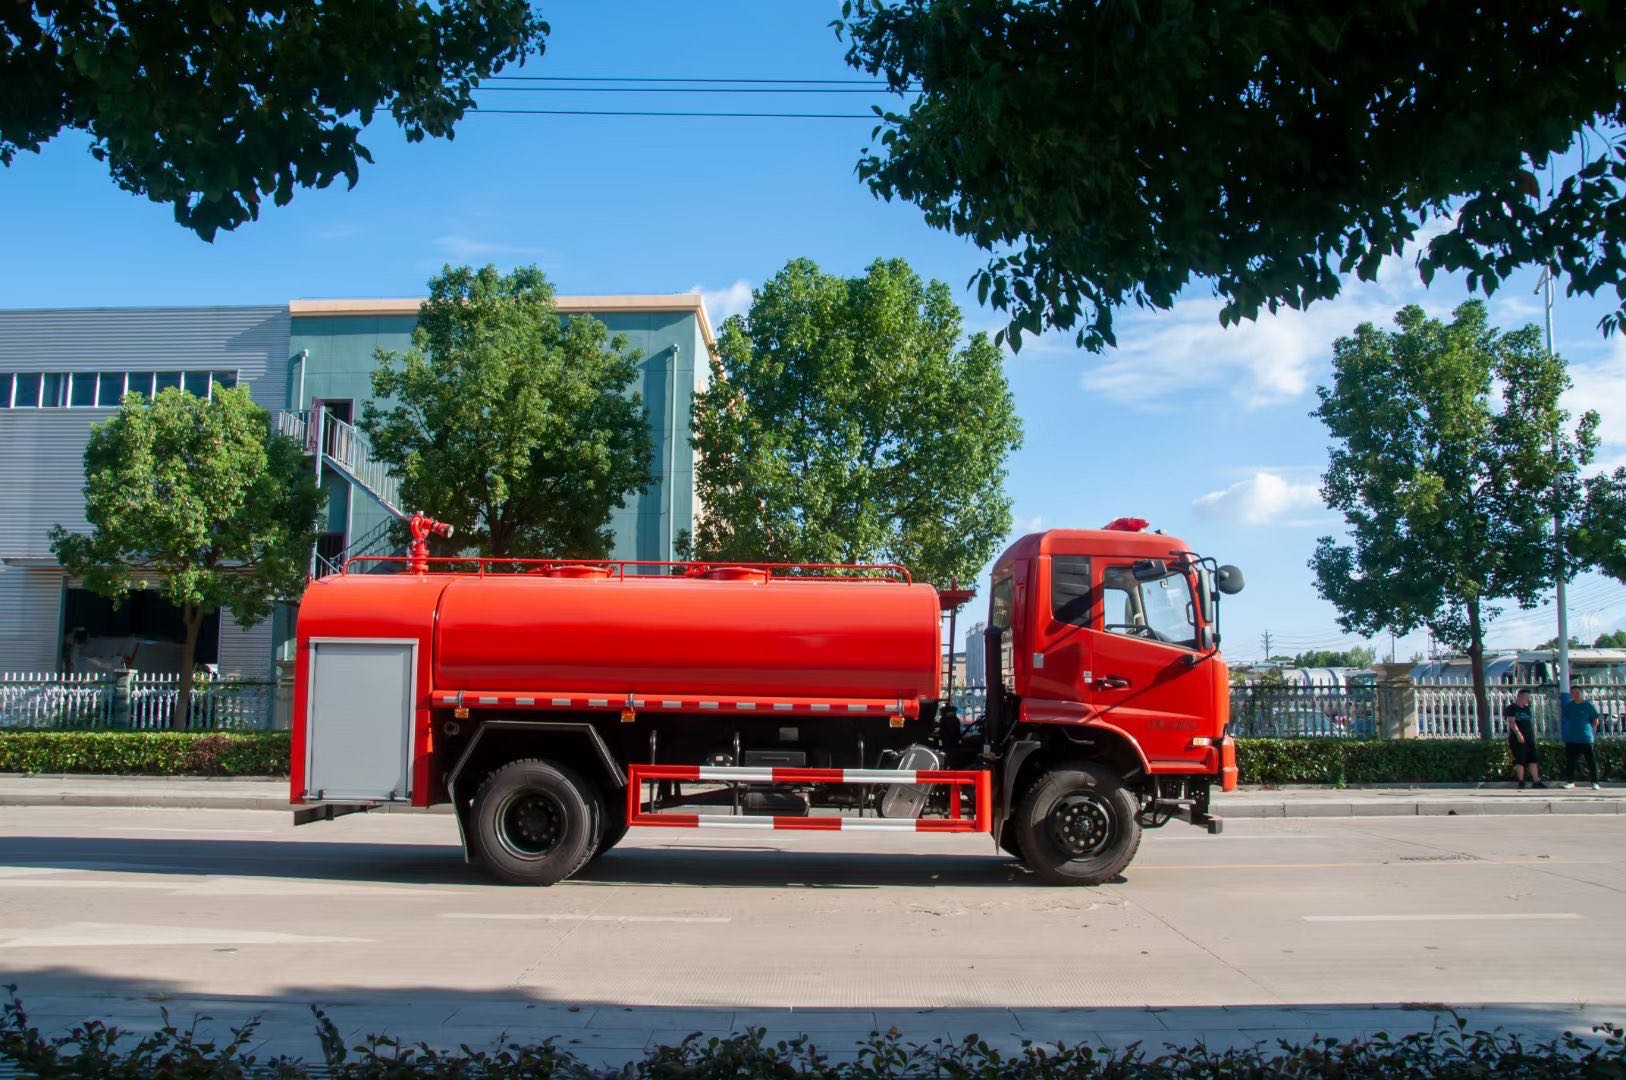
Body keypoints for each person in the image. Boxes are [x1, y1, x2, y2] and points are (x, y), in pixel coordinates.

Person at [1559, 684, 1602, 790]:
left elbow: (1595, 719)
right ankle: (1570, 781)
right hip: (1572, 738)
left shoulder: (1588, 705)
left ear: (1581, 693)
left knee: (1591, 761)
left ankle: (1595, 782)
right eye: (1573, 693)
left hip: (1585, 738)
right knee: (1571, 761)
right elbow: (1565, 718)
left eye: (1577, 692)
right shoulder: (1569, 706)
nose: (1575, 695)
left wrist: (1592, 731)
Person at [1504, 689, 1543, 789]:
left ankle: (1536, 781)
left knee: (1533, 759)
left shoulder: (1527, 708)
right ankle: (1521, 781)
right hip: (1518, 738)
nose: (1528, 700)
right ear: (1520, 696)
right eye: (1526, 697)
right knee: (1520, 759)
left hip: (1529, 737)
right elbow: (1512, 722)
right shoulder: (1512, 708)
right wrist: (1518, 734)